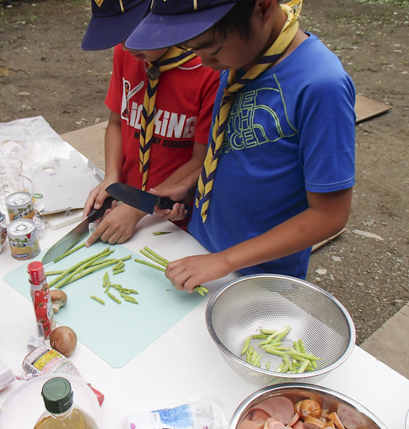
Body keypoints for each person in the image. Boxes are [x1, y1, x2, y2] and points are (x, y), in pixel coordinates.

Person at [124, 0, 356, 290]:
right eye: (191, 49)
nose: (205, 63)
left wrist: (225, 261)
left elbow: (329, 215)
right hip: (200, 248)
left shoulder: (322, 86)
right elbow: (235, 149)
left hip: (260, 274)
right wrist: (189, 186)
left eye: (213, 49)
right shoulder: (240, 58)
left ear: (262, 8)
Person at [81, 0, 220, 246]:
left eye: (133, 33)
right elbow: (116, 122)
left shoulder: (208, 70)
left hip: (172, 215)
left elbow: (201, 160)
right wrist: (112, 179)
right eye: (118, 34)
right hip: (125, 203)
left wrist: (139, 205)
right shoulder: (125, 54)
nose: (126, 45)